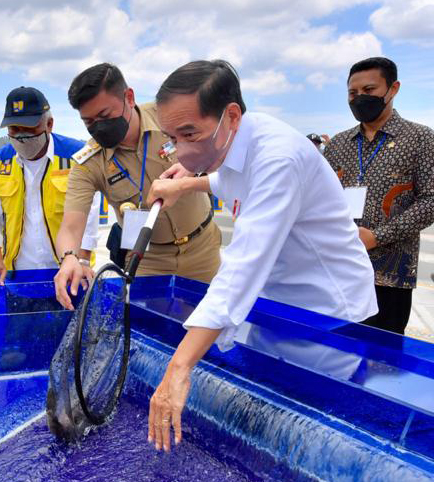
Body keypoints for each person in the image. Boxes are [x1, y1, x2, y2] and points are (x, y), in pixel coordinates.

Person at [142, 60, 377, 452]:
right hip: (277, 303)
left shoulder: (278, 157)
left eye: (189, 134)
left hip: (326, 311)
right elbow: (228, 179)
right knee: (273, 420)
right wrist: (187, 186)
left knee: (321, 431)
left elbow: (241, 266)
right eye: (172, 138)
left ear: (230, 115)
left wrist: (179, 367)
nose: (180, 151)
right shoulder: (238, 139)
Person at [54, 63, 222, 309]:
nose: (98, 126)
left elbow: (217, 147)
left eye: (104, 115)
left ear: (129, 97)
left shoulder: (169, 117)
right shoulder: (88, 163)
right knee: (156, 330)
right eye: (89, 121)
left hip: (202, 247)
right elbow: (70, 226)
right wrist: (69, 258)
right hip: (148, 258)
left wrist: (190, 173)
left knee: (211, 324)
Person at [324, 57, 434, 335]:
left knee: (380, 364)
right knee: (333, 353)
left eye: (369, 90)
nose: (359, 98)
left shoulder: (421, 139)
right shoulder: (338, 144)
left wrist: (377, 236)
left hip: (388, 277)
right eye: (353, 93)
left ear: (392, 89)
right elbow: (320, 198)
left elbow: (431, 201)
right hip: (338, 271)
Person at [0, 86, 99, 288]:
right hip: (19, 274)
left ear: (49, 124)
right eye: (14, 129)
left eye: (29, 128)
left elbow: (91, 213)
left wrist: (83, 260)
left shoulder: (76, 157)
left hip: (69, 270)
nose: (22, 136)